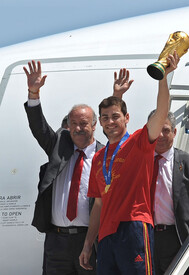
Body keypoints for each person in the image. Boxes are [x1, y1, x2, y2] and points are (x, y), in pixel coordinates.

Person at [23, 61, 132, 275]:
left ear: (94, 125)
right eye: (74, 123)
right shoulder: (58, 147)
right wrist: (33, 93)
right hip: (56, 241)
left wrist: (117, 96)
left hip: (91, 242)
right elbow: (39, 127)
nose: (78, 128)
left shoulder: (105, 155)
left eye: (84, 123)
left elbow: (118, 133)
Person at [79, 52, 179, 275]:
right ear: (100, 123)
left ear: (127, 118)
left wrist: (163, 78)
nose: (110, 121)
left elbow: (161, 111)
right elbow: (98, 205)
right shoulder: (99, 157)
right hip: (106, 234)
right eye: (104, 118)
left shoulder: (139, 142)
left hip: (133, 226)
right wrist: (88, 243)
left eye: (115, 116)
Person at [149, 110, 189, 275]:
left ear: (175, 132)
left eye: (166, 130)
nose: (161, 135)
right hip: (147, 241)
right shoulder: (140, 164)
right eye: (157, 130)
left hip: (179, 240)